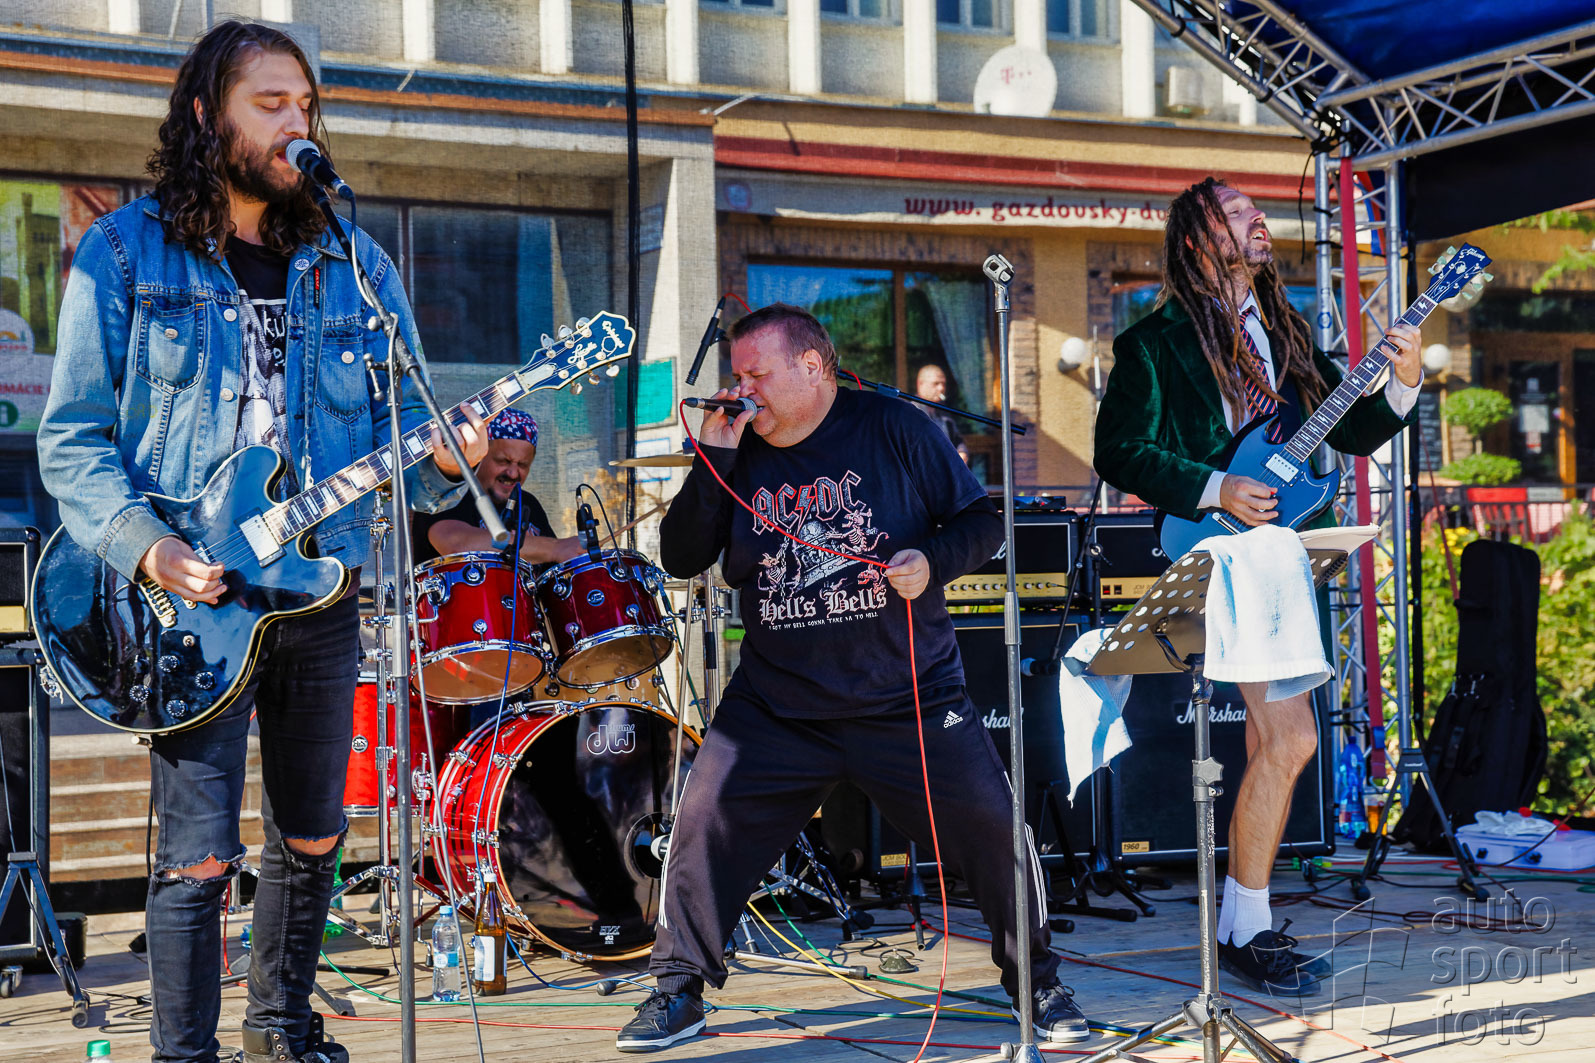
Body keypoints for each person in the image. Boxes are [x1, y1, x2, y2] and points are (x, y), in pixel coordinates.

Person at [35, 22, 487, 1063]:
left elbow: (405, 434)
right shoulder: (125, 251)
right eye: (271, 103)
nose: (296, 123)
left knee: (315, 832)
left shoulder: (354, 261)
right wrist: (146, 545)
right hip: (185, 597)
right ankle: (184, 1053)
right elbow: (71, 438)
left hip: (319, 587)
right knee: (197, 854)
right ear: (208, 115)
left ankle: (281, 1029)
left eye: (306, 105)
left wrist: (446, 451)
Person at [615, 303, 1086, 1053]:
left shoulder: (895, 427)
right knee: (701, 825)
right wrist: (713, 461)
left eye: (756, 374)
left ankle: (1038, 983)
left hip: (908, 696)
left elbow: (980, 522)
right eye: (737, 375)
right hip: (777, 703)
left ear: (812, 366)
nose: (742, 390)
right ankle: (678, 989)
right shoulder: (736, 448)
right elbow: (680, 555)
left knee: (993, 827)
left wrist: (931, 562)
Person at [1093, 177, 1423, 994]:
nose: (1258, 220)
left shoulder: (1285, 328)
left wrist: (1404, 381)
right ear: (1198, 237)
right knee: (1292, 738)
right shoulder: (1152, 342)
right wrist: (1216, 486)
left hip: (1285, 555)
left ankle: (1241, 922)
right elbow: (1117, 450)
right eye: (1237, 213)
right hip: (1222, 552)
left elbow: (1351, 428)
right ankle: (1246, 924)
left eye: (1255, 211)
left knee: (1269, 740)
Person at [412, 407, 584, 566]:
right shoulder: (445, 492)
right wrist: (554, 548)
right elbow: (456, 545)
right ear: (479, 456)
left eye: (523, 465)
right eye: (503, 461)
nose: (513, 473)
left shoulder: (528, 503)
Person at [914, 363, 971, 464]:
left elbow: (957, 439)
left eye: (943, 384)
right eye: (935, 383)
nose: (941, 388)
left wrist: (962, 452)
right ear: (920, 384)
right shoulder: (911, 412)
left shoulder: (944, 412)